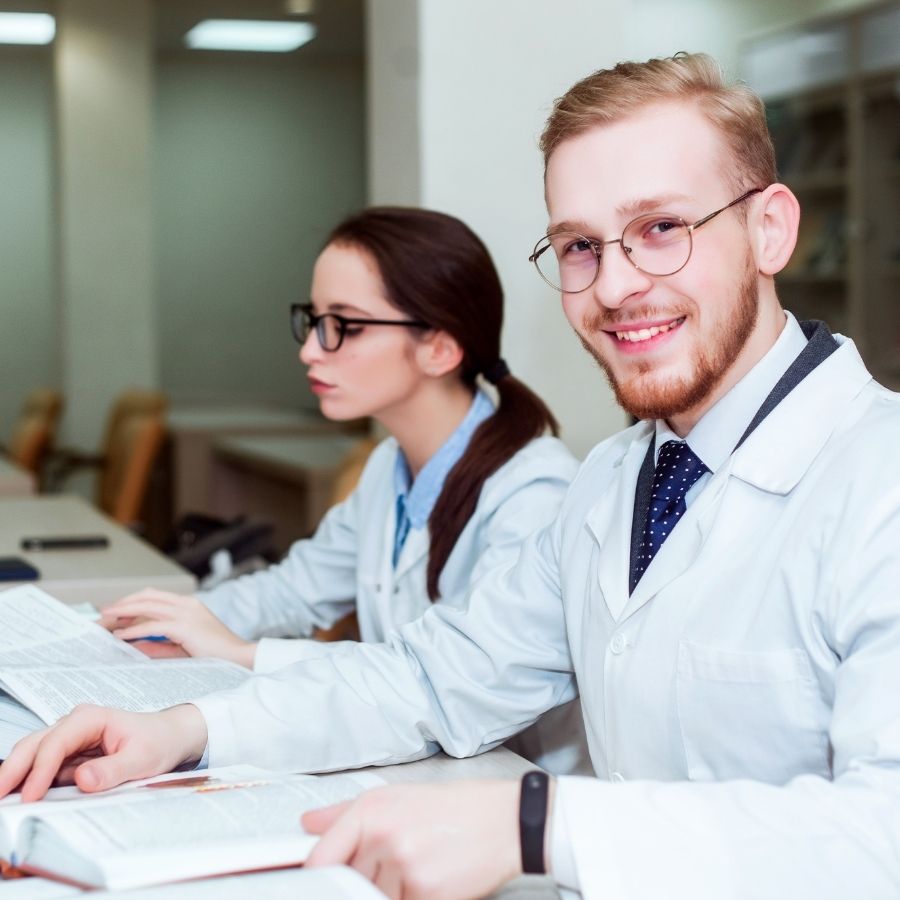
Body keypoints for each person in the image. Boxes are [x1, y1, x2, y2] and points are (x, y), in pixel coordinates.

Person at [3, 52, 899, 899]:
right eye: (580, 247)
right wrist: (184, 731)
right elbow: (433, 680)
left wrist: (539, 822)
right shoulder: (615, 481)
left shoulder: (878, 477)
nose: (616, 285)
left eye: (661, 228)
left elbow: (881, 833)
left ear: (771, 227)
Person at [98, 205, 586, 774]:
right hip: (419, 770)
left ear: (440, 348)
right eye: (314, 319)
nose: (310, 350)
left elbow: (443, 678)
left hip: (511, 788)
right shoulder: (388, 466)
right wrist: (168, 623)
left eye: (344, 325)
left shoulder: (535, 493)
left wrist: (240, 653)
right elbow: (292, 591)